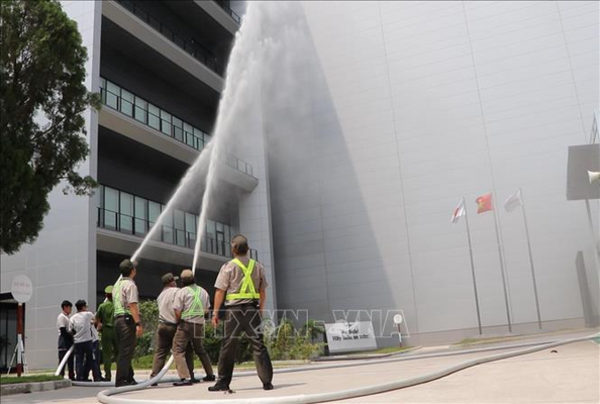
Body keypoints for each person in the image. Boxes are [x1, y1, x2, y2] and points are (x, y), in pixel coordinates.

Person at [209, 235, 273, 392]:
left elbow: (220, 291)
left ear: (233, 250)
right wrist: (260, 310)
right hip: (252, 310)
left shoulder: (228, 267)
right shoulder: (258, 266)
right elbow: (262, 292)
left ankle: (223, 382)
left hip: (233, 313)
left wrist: (215, 313)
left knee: (228, 346)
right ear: (248, 249)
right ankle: (267, 382)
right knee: (258, 345)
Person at [150, 273, 196, 385]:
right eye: (174, 281)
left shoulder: (160, 295)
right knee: (185, 350)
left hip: (162, 326)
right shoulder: (177, 291)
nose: (176, 282)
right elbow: (180, 308)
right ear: (171, 282)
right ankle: (187, 376)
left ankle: (153, 377)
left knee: (161, 352)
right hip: (174, 325)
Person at [172, 269, 215, 386]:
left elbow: (177, 311)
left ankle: (185, 377)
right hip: (199, 325)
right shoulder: (203, 291)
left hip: (186, 324)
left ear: (182, 281)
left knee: (178, 350)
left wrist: (179, 322)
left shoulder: (181, 292)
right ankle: (210, 374)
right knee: (200, 350)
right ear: (194, 278)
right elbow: (207, 310)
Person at [113, 259, 143, 387]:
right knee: (126, 351)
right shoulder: (130, 285)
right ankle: (121, 380)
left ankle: (129, 378)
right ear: (132, 270)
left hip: (117, 320)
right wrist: (138, 324)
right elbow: (132, 305)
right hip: (126, 320)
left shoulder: (116, 285)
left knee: (125, 350)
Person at [69, 300, 101, 382]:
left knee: (79, 360)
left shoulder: (72, 318)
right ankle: (96, 377)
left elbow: (71, 330)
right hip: (87, 340)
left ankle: (79, 378)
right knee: (92, 359)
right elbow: (94, 320)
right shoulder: (88, 314)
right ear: (83, 307)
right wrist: (91, 323)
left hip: (77, 341)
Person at [96, 285, 118, 381]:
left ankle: (108, 375)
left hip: (106, 330)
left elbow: (97, 319)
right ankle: (121, 374)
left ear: (106, 295)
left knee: (107, 354)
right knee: (119, 353)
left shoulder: (102, 306)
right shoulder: (118, 305)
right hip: (116, 330)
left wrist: (99, 325)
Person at [57, 300, 75, 380]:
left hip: (69, 340)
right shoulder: (61, 317)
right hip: (64, 340)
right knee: (63, 359)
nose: (71, 309)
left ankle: (71, 376)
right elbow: (63, 331)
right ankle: (60, 376)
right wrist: (70, 336)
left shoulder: (68, 317)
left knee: (71, 359)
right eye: (70, 307)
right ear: (65, 307)